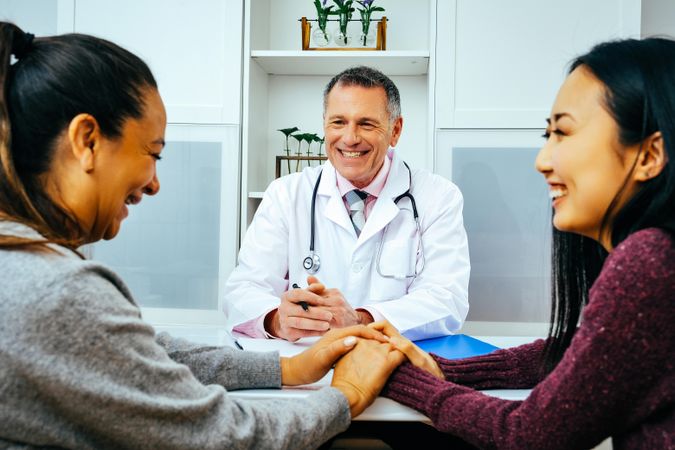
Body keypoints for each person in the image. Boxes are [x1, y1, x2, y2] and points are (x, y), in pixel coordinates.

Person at [0, 23, 406, 449]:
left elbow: (149, 354)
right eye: (152, 153)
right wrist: (347, 395)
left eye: (367, 124)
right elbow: (222, 436)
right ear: (87, 140)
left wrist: (290, 369)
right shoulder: (57, 290)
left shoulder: (28, 268)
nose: (155, 183)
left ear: (394, 131)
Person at [371, 37, 675, 450]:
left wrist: (398, 376)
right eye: (547, 134)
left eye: (564, 133)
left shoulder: (652, 262)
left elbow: (527, 435)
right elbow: (578, 349)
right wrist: (444, 370)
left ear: (649, 155)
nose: (542, 160)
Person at [225, 66, 470, 342]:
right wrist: (276, 321)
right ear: (324, 124)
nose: (350, 138)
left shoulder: (438, 197)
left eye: (366, 123)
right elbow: (243, 289)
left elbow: (447, 299)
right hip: (304, 367)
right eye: (338, 122)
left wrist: (360, 320)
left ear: (395, 130)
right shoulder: (286, 194)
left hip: (393, 364)